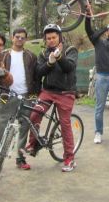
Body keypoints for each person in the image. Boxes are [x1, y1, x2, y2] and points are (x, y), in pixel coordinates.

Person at [25, 24, 78, 172]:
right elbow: (39, 73)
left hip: (66, 93)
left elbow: (69, 67)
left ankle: (69, 158)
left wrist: (59, 56)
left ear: (59, 37)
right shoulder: (43, 54)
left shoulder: (70, 50)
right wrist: (49, 63)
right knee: (35, 114)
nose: (51, 40)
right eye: (48, 38)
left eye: (54, 37)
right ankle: (33, 145)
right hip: (48, 92)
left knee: (65, 123)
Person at [0, 27, 37, 172]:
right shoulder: (2, 55)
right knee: (2, 127)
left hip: (27, 96)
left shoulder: (31, 56)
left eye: (23, 37)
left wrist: (35, 96)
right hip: (6, 96)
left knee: (24, 128)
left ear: (26, 39)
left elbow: (36, 76)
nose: (20, 39)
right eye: (17, 36)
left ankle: (20, 158)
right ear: (12, 38)